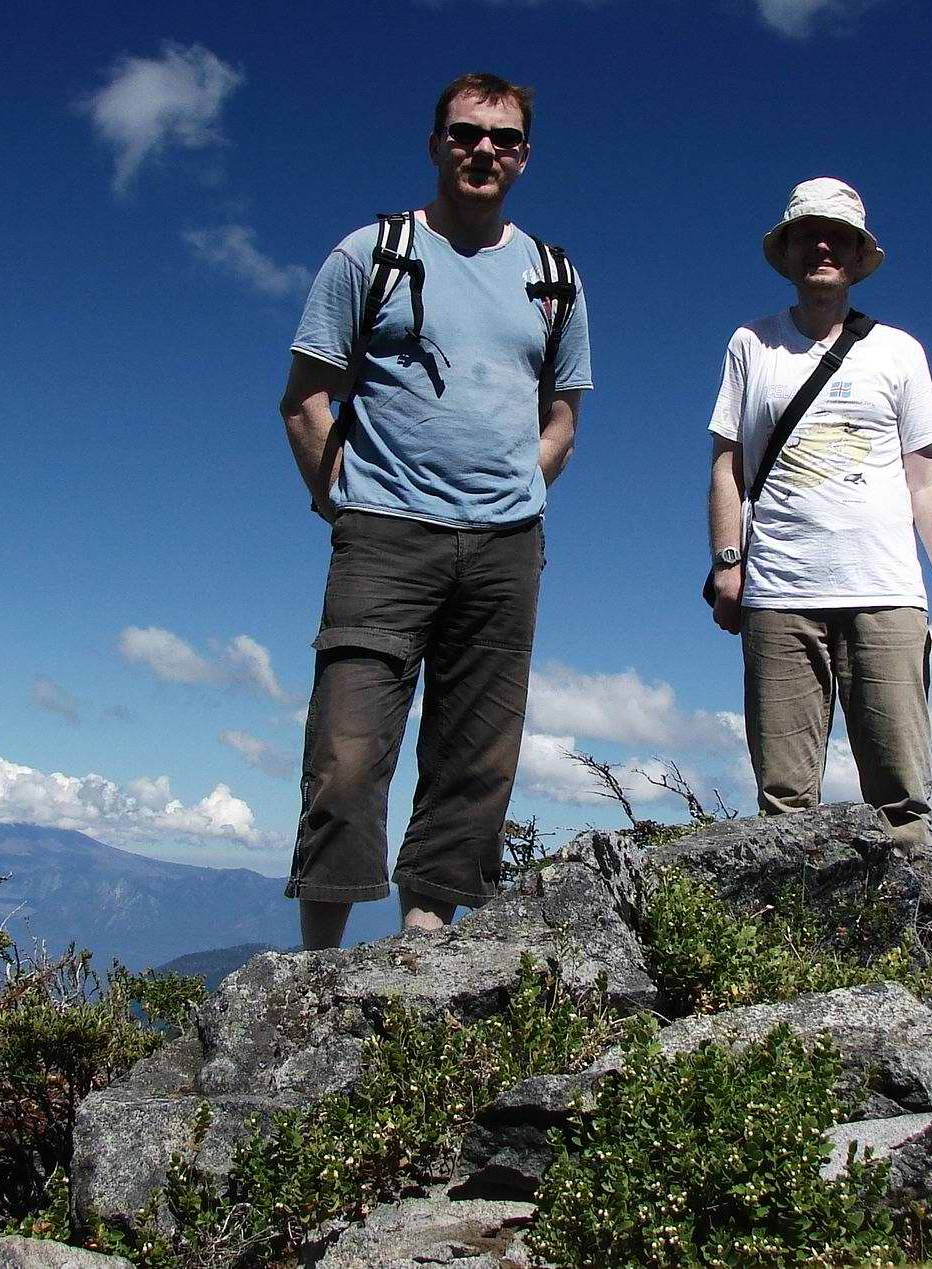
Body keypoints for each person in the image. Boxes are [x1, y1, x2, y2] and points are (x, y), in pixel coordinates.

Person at [278, 73, 591, 950]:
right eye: (465, 133)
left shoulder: (553, 278)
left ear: (524, 156)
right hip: (384, 534)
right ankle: (316, 968)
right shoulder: (370, 254)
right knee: (346, 750)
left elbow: (562, 418)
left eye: (503, 138)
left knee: (476, 755)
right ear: (435, 144)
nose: (483, 150)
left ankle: (423, 956)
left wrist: (517, 488)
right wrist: (343, 506)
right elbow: (305, 400)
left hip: (505, 545)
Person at [706, 177, 932, 852]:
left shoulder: (898, 351)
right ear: (788, 251)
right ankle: (792, 922)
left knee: (901, 795)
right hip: (779, 591)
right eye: (808, 235)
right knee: (784, 802)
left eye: (838, 237)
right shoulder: (751, 343)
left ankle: (914, 918)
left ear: (856, 256)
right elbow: (727, 463)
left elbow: (923, 474)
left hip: (885, 589)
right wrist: (728, 564)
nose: (822, 247)